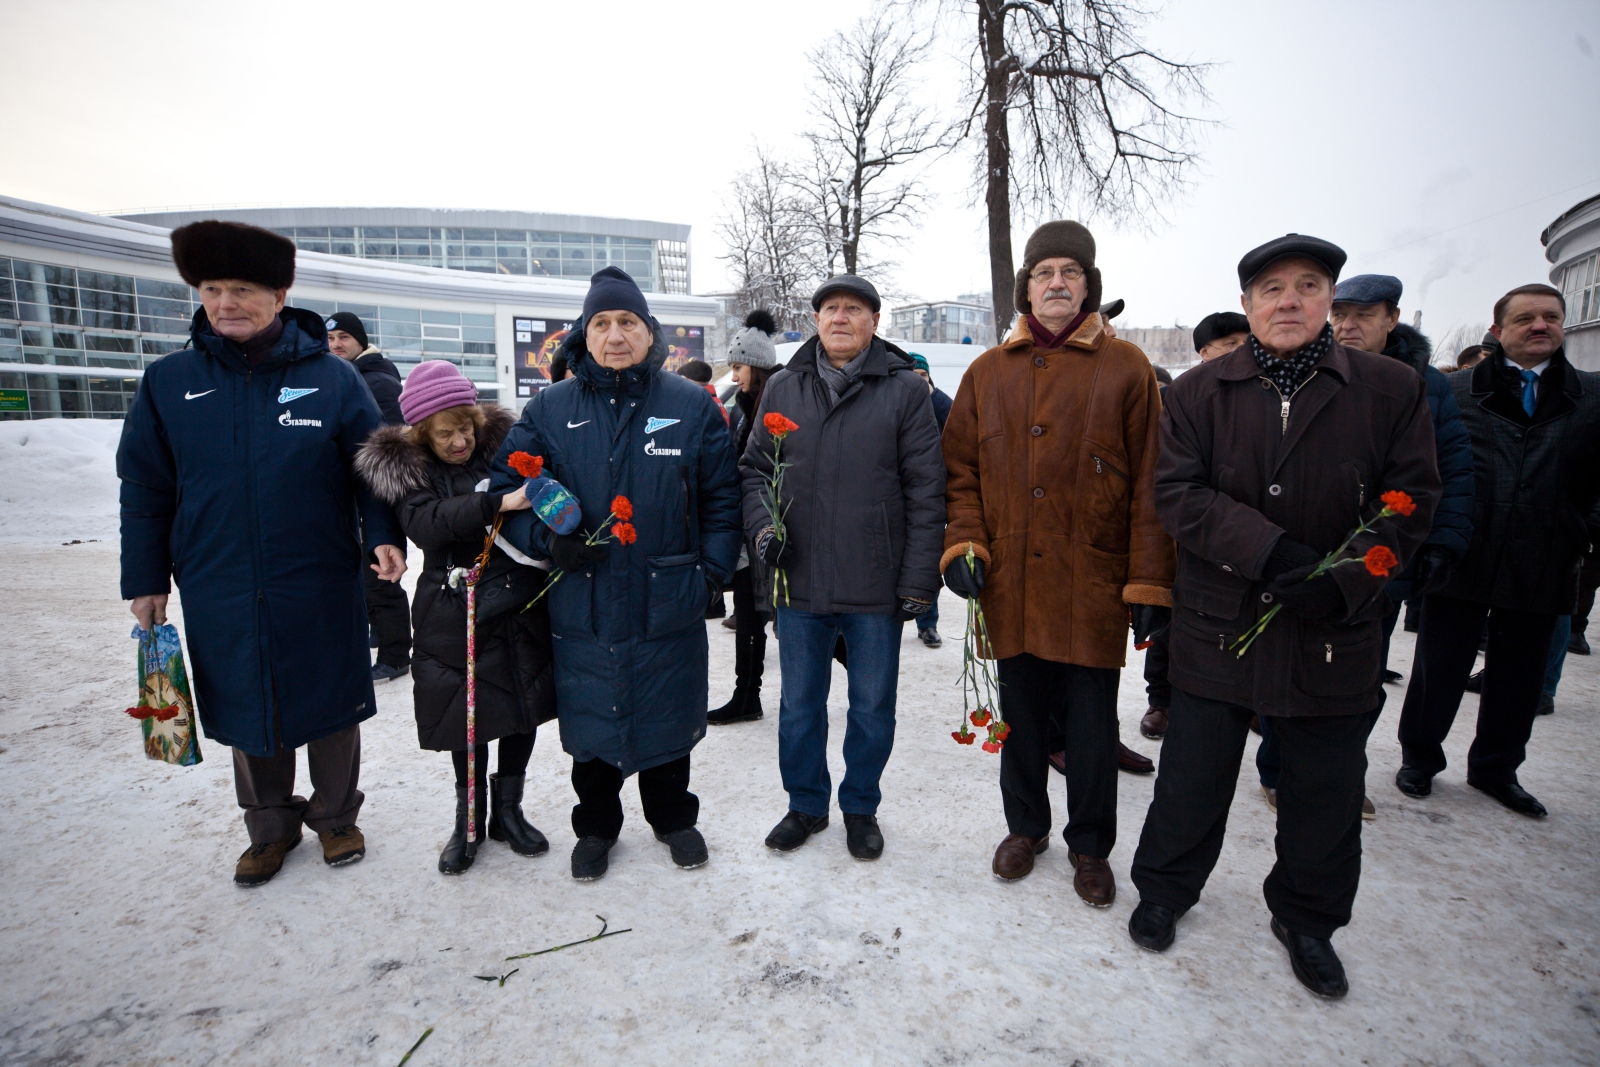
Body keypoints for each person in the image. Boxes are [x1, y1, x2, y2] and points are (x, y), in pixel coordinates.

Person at [1128, 234, 1439, 999]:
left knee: (1325, 788)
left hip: (1331, 630)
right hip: (1219, 622)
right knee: (1192, 777)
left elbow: (1414, 500)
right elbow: (1178, 494)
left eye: (1307, 285)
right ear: (1248, 304)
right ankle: (1165, 889)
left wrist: (1341, 580)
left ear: (1330, 299)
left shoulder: (1389, 388)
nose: (1289, 300)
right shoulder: (1199, 392)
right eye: (1271, 288)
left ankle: (1307, 917)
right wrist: (1269, 551)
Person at [118, 220, 407, 887]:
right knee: (248, 702)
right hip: (217, 577)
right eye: (212, 288)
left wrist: (385, 533)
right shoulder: (169, 382)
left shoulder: (332, 379)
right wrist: (146, 576)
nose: (226, 303)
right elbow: (145, 487)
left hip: (318, 574)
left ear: (280, 294)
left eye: (243, 289)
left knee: (331, 699)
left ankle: (337, 817)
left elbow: (373, 465)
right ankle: (269, 828)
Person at [940, 221, 1173, 904]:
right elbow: (960, 474)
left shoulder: (1126, 367)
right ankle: (1026, 828)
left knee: (1095, 729)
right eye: (1044, 273)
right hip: (1011, 582)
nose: (1057, 283)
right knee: (1021, 721)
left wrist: (1148, 579)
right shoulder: (986, 373)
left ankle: (1091, 845)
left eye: (1071, 272)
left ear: (1088, 285)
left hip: (1092, 583)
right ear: (1027, 287)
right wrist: (964, 544)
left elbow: (1152, 482)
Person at [490, 266, 741, 881]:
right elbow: (504, 489)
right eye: (601, 323)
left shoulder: (690, 405)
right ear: (584, 334)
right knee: (592, 719)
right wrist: (550, 541)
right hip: (585, 597)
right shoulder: (550, 408)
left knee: (669, 714)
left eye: (627, 321)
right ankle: (597, 827)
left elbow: (721, 498)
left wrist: (709, 574)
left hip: (669, 592)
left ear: (650, 334)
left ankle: (674, 818)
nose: (615, 334)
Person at [1252, 274, 1475, 818]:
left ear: (1392, 319)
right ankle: (1279, 768)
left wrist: (1444, 541)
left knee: (1359, 673)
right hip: (1305, 555)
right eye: (1341, 315)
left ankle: (1339, 770)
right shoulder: (1305, 371)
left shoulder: (1423, 385)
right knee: (1291, 663)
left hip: (1381, 560)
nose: (1348, 326)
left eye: (1364, 315)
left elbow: (1447, 470)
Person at [741, 274, 945, 861]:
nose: (840, 319)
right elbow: (754, 471)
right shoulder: (784, 386)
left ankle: (861, 807)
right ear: (815, 321)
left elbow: (928, 491)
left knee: (872, 706)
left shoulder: (906, 391)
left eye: (853, 310)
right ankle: (805, 804)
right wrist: (762, 531)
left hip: (874, 582)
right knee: (800, 704)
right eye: (830, 309)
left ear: (874, 323)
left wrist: (916, 581)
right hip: (798, 578)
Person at [1396, 283, 1600, 817]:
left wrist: (1582, 529)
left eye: (1551, 317)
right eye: (1526, 317)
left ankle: (1496, 769)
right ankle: (1419, 757)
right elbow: (1428, 468)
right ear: (1497, 330)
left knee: (1520, 674)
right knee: (1438, 666)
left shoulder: (1592, 396)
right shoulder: (1455, 392)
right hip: (1464, 551)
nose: (1541, 326)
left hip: (1546, 555)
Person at [355, 362, 557, 874]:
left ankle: (509, 811)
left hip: (514, 590)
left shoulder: (501, 443)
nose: (461, 440)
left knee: (521, 701)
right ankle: (469, 818)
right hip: (454, 600)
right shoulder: (406, 467)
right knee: (466, 716)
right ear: (423, 432)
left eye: (466, 426)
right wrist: (495, 502)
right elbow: (427, 524)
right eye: (447, 433)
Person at [327, 310, 413, 684]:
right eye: (330, 339)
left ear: (361, 341)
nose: (336, 345)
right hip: (353, 493)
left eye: (344, 337)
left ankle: (396, 654)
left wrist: (379, 490)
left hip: (376, 493)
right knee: (365, 574)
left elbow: (393, 441)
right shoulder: (345, 377)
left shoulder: (377, 381)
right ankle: (379, 632)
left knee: (380, 574)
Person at [709, 311, 782, 725]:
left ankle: (867, 678)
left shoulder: (774, 405)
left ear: (755, 364)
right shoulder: (746, 404)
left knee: (785, 619)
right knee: (752, 613)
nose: (734, 375)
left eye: (737, 367)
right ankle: (746, 695)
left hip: (770, 526)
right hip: (749, 525)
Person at [909, 352, 953, 649]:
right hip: (901, 494)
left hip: (934, 495)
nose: (919, 382)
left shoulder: (942, 404)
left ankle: (928, 623)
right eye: (913, 377)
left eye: (923, 376)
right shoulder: (897, 403)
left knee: (928, 559)